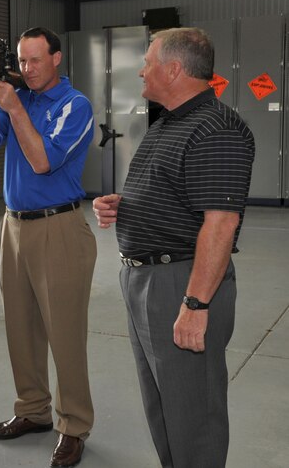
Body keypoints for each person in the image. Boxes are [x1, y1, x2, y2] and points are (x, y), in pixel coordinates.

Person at [92, 27, 255, 468]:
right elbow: (178, 194)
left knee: (193, 418)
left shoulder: (216, 129)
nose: (141, 70)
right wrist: (124, 207)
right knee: (163, 408)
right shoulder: (170, 122)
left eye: (147, 61)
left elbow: (221, 225)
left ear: (174, 68)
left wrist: (196, 303)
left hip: (181, 283)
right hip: (146, 280)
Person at [0, 27, 97, 468]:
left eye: (36, 59)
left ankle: (74, 425)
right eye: (22, 61)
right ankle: (33, 411)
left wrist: (14, 106)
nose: (27, 68)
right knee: (20, 327)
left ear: (56, 58)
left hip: (57, 227)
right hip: (13, 226)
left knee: (64, 333)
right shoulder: (17, 100)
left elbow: (42, 161)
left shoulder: (73, 105)